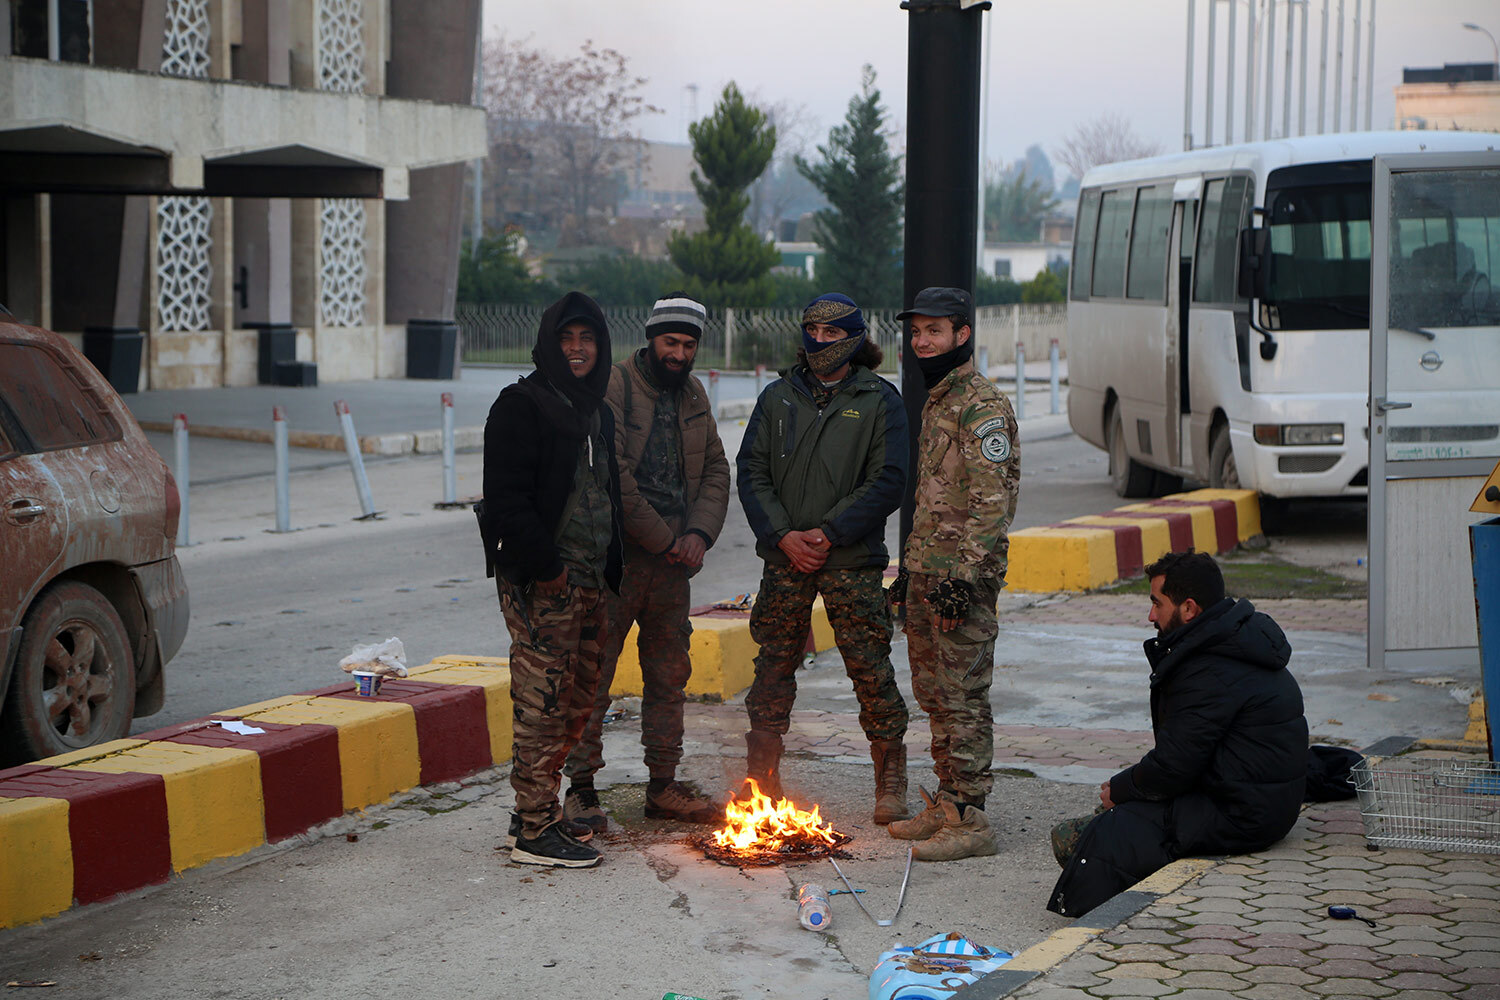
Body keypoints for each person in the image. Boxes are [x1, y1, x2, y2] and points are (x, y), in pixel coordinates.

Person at [1047, 551, 1308, 916]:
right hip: (1263, 804)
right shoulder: (1234, 643)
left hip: (1245, 816)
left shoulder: (1209, 669)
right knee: (1120, 810)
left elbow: (1174, 766)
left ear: (1189, 609)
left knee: (1074, 838)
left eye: (1157, 603)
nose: (1151, 616)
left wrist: (1121, 789)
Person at [737, 292, 911, 824]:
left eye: (832, 334)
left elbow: (889, 481)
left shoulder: (881, 400)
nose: (820, 342)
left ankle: (890, 778)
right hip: (786, 557)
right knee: (772, 669)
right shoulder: (776, 397)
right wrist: (785, 535)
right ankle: (760, 777)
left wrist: (830, 533)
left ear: (856, 339)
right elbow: (752, 471)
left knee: (870, 668)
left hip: (851, 560)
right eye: (812, 331)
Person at [561, 293, 731, 831]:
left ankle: (663, 785)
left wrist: (700, 534)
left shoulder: (694, 394)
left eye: (688, 345)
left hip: (673, 566)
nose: (679, 354)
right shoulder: (613, 386)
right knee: (593, 674)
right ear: (651, 339)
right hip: (616, 563)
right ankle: (581, 790)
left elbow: (717, 472)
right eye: (670, 342)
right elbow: (612, 477)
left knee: (669, 675)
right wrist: (665, 540)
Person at [481, 290, 623, 869]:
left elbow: (607, 491)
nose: (577, 349)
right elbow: (506, 502)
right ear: (548, 344)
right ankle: (534, 831)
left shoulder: (597, 410)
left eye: (587, 339)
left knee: (579, 699)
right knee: (541, 703)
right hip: (544, 586)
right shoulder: (521, 405)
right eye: (566, 339)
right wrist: (549, 570)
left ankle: (535, 808)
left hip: (591, 584)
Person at [886, 286, 1020, 862]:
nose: (922, 342)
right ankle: (947, 802)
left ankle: (971, 819)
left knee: (963, 695)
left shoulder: (982, 405)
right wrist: (911, 571)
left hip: (961, 581)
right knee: (935, 694)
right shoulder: (938, 398)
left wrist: (962, 579)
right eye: (916, 332)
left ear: (962, 335)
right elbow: (936, 499)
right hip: (928, 574)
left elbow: (993, 503)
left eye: (934, 331)